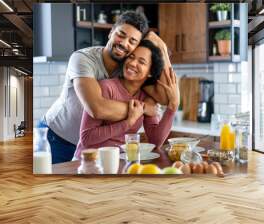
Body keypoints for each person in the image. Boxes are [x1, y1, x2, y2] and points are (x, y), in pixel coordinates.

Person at [41, 11, 173, 164]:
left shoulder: (128, 68)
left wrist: (161, 46)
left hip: (87, 145)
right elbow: (97, 108)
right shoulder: (83, 59)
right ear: (111, 32)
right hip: (56, 136)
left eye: (132, 41)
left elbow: (165, 97)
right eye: (121, 35)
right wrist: (142, 109)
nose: (124, 43)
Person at [75, 40, 179, 159]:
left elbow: (155, 141)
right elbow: (86, 138)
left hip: (120, 161)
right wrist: (127, 123)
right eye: (131, 57)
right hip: (89, 162)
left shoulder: (146, 98)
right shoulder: (106, 87)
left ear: (150, 72)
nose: (133, 63)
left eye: (141, 61)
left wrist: (173, 107)